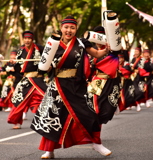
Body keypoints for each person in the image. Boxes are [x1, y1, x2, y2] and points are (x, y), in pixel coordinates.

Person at [30, 16, 112, 159]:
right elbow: (45, 67)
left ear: (76, 29)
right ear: (61, 28)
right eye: (66, 27)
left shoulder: (81, 43)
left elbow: (96, 54)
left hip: (77, 86)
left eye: (72, 28)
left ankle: (96, 143)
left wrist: (105, 51)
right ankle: (49, 150)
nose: (69, 30)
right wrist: (47, 67)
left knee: (90, 114)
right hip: (58, 87)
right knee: (53, 118)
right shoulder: (52, 45)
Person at [7, 31, 47, 129]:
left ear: (32, 39)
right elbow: (18, 67)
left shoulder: (39, 48)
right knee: (19, 100)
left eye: (29, 38)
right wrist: (13, 63)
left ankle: (48, 121)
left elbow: (48, 58)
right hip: (26, 80)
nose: (27, 40)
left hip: (38, 79)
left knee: (48, 98)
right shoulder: (21, 50)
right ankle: (16, 121)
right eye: (25, 38)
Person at [87, 26, 121, 123]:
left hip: (110, 80)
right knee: (93, 106)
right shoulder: (91, 50)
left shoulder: (112, 49)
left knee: (108, 108)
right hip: (96, 80)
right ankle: (94, 132)